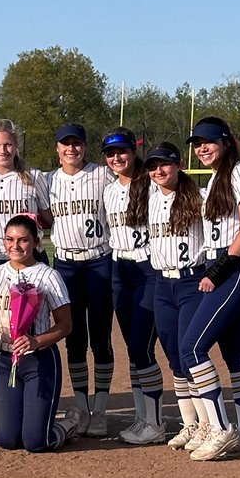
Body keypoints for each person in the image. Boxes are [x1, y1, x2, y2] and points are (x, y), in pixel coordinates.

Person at [181, 116, 240, 459]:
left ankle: (220, 429)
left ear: (226, 141)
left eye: (208, 141)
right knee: (236, 356)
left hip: (235, 267)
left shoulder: (238, 172)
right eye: (197, 143)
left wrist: (218, 269)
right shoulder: (214, 180)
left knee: (192, 349)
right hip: (222, 266)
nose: (201, 147)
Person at [144, 142, 219, 460]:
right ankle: (191, 424)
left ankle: (209, 424)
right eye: (153, 166)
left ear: (178, 165)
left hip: (192, 281)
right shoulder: (150, 196)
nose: (159, 170)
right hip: (163, 283)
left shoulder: (198, 198)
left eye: (165, 164)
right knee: (174, 356)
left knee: (191, 353)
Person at [0, 214, 77, 452]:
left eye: (23, 240)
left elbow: (65, 325)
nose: (15, 246)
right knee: (7, 440)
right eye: (9, 239)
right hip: (4, 360)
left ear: (36, 242)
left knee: (36, 442)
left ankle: (67, 425)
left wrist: (36, 341)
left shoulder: (48, 275)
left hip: (39, 361)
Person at [47, 122, 114, 437]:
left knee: (100, 337)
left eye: (76, 144)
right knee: (74, 338)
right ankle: (81, 407)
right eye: (65, 144)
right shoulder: (49, 181)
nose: (71, 149)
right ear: (57, 148)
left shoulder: (102, 174)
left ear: (85, 147)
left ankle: (100, 410)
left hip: (99, 260)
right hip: (66, 264)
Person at [101, 129, 164, 444]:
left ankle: (154, 423)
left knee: (142, 347)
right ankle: (143, 419)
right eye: (110, 154)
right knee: (133, 349)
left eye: (122, 151)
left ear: (133, 151)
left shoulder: (152, 184)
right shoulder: (110, 189)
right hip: (119, 268)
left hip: (147, 269)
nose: (116, 158)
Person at [0, 119, 53, 274]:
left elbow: (49, 218)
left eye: (7, 144)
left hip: (29, 258)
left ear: (16, 146)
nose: (2, 150)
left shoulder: (33, 176)